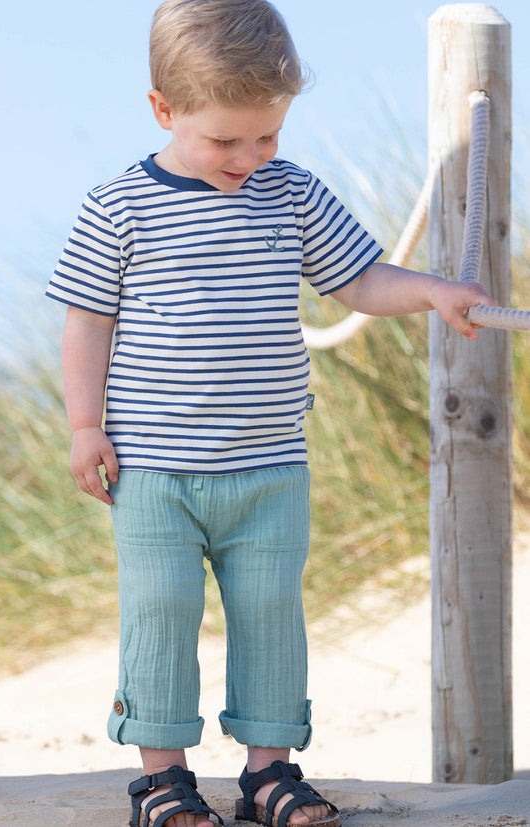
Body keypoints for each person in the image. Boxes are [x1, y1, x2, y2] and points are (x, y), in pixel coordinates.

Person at [46, 1, 495, 825]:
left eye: (268, 136)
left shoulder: (287, 194)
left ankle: (268, 772)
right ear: (163, 109)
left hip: (271, 467)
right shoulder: (118, 206)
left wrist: (434, 291)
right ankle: (163, 777)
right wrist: (84, 425)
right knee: (160, 612)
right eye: (226, 140)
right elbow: (87, 319)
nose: (250, 158)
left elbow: (358, 280)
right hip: (155, 472)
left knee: (269, 614)